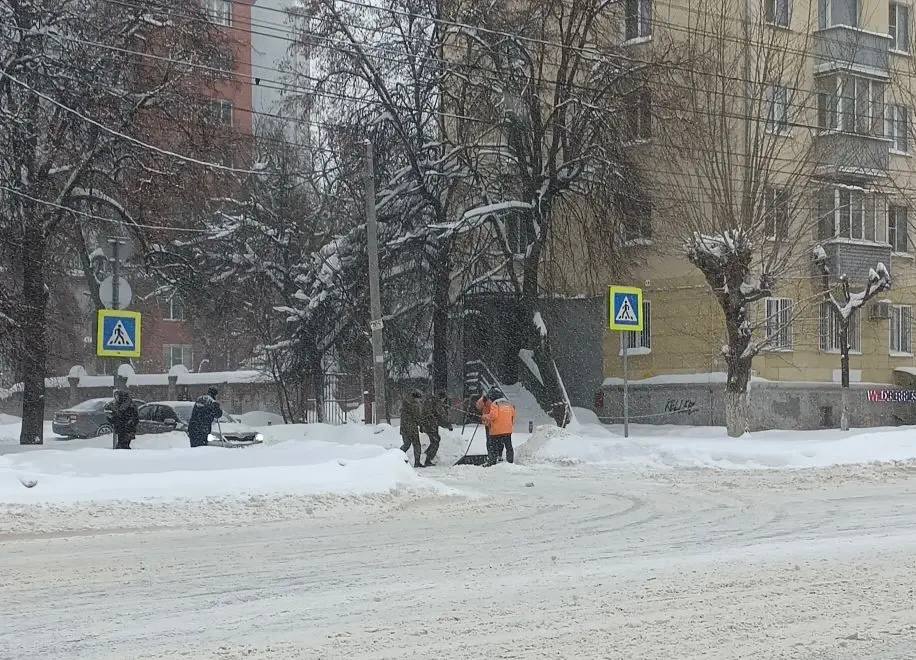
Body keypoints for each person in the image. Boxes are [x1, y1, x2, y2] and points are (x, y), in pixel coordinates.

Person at [482, 387, 516, 467]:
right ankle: (510, 461)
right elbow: (513, 416)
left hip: (496, 430)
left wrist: (485, 416)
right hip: (507, 430)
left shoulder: (495, 404)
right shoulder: (509, 404)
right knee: (509, 446)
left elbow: (493, 416)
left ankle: (492, 461)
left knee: (492, 445)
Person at [420, 390, 453, 467]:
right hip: (431, 425)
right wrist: (448, 425)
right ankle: (428, 459)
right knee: (436, 441)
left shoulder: (431, 401)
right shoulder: (437, 403)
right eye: (444, 399)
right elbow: (441, 417)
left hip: (428, 424)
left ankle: (426, 454)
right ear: (442, 398)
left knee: (435, 440)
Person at [399, 389, 424, 467]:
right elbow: (417, 417)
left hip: (404, 428)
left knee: (406, 444)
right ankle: (417, 462)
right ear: (416, 398)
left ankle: (396, 457)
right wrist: (421, 425)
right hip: (412, 428)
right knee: (417, 445)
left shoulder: (405, 403)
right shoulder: (415, 405)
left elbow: (402, 416)